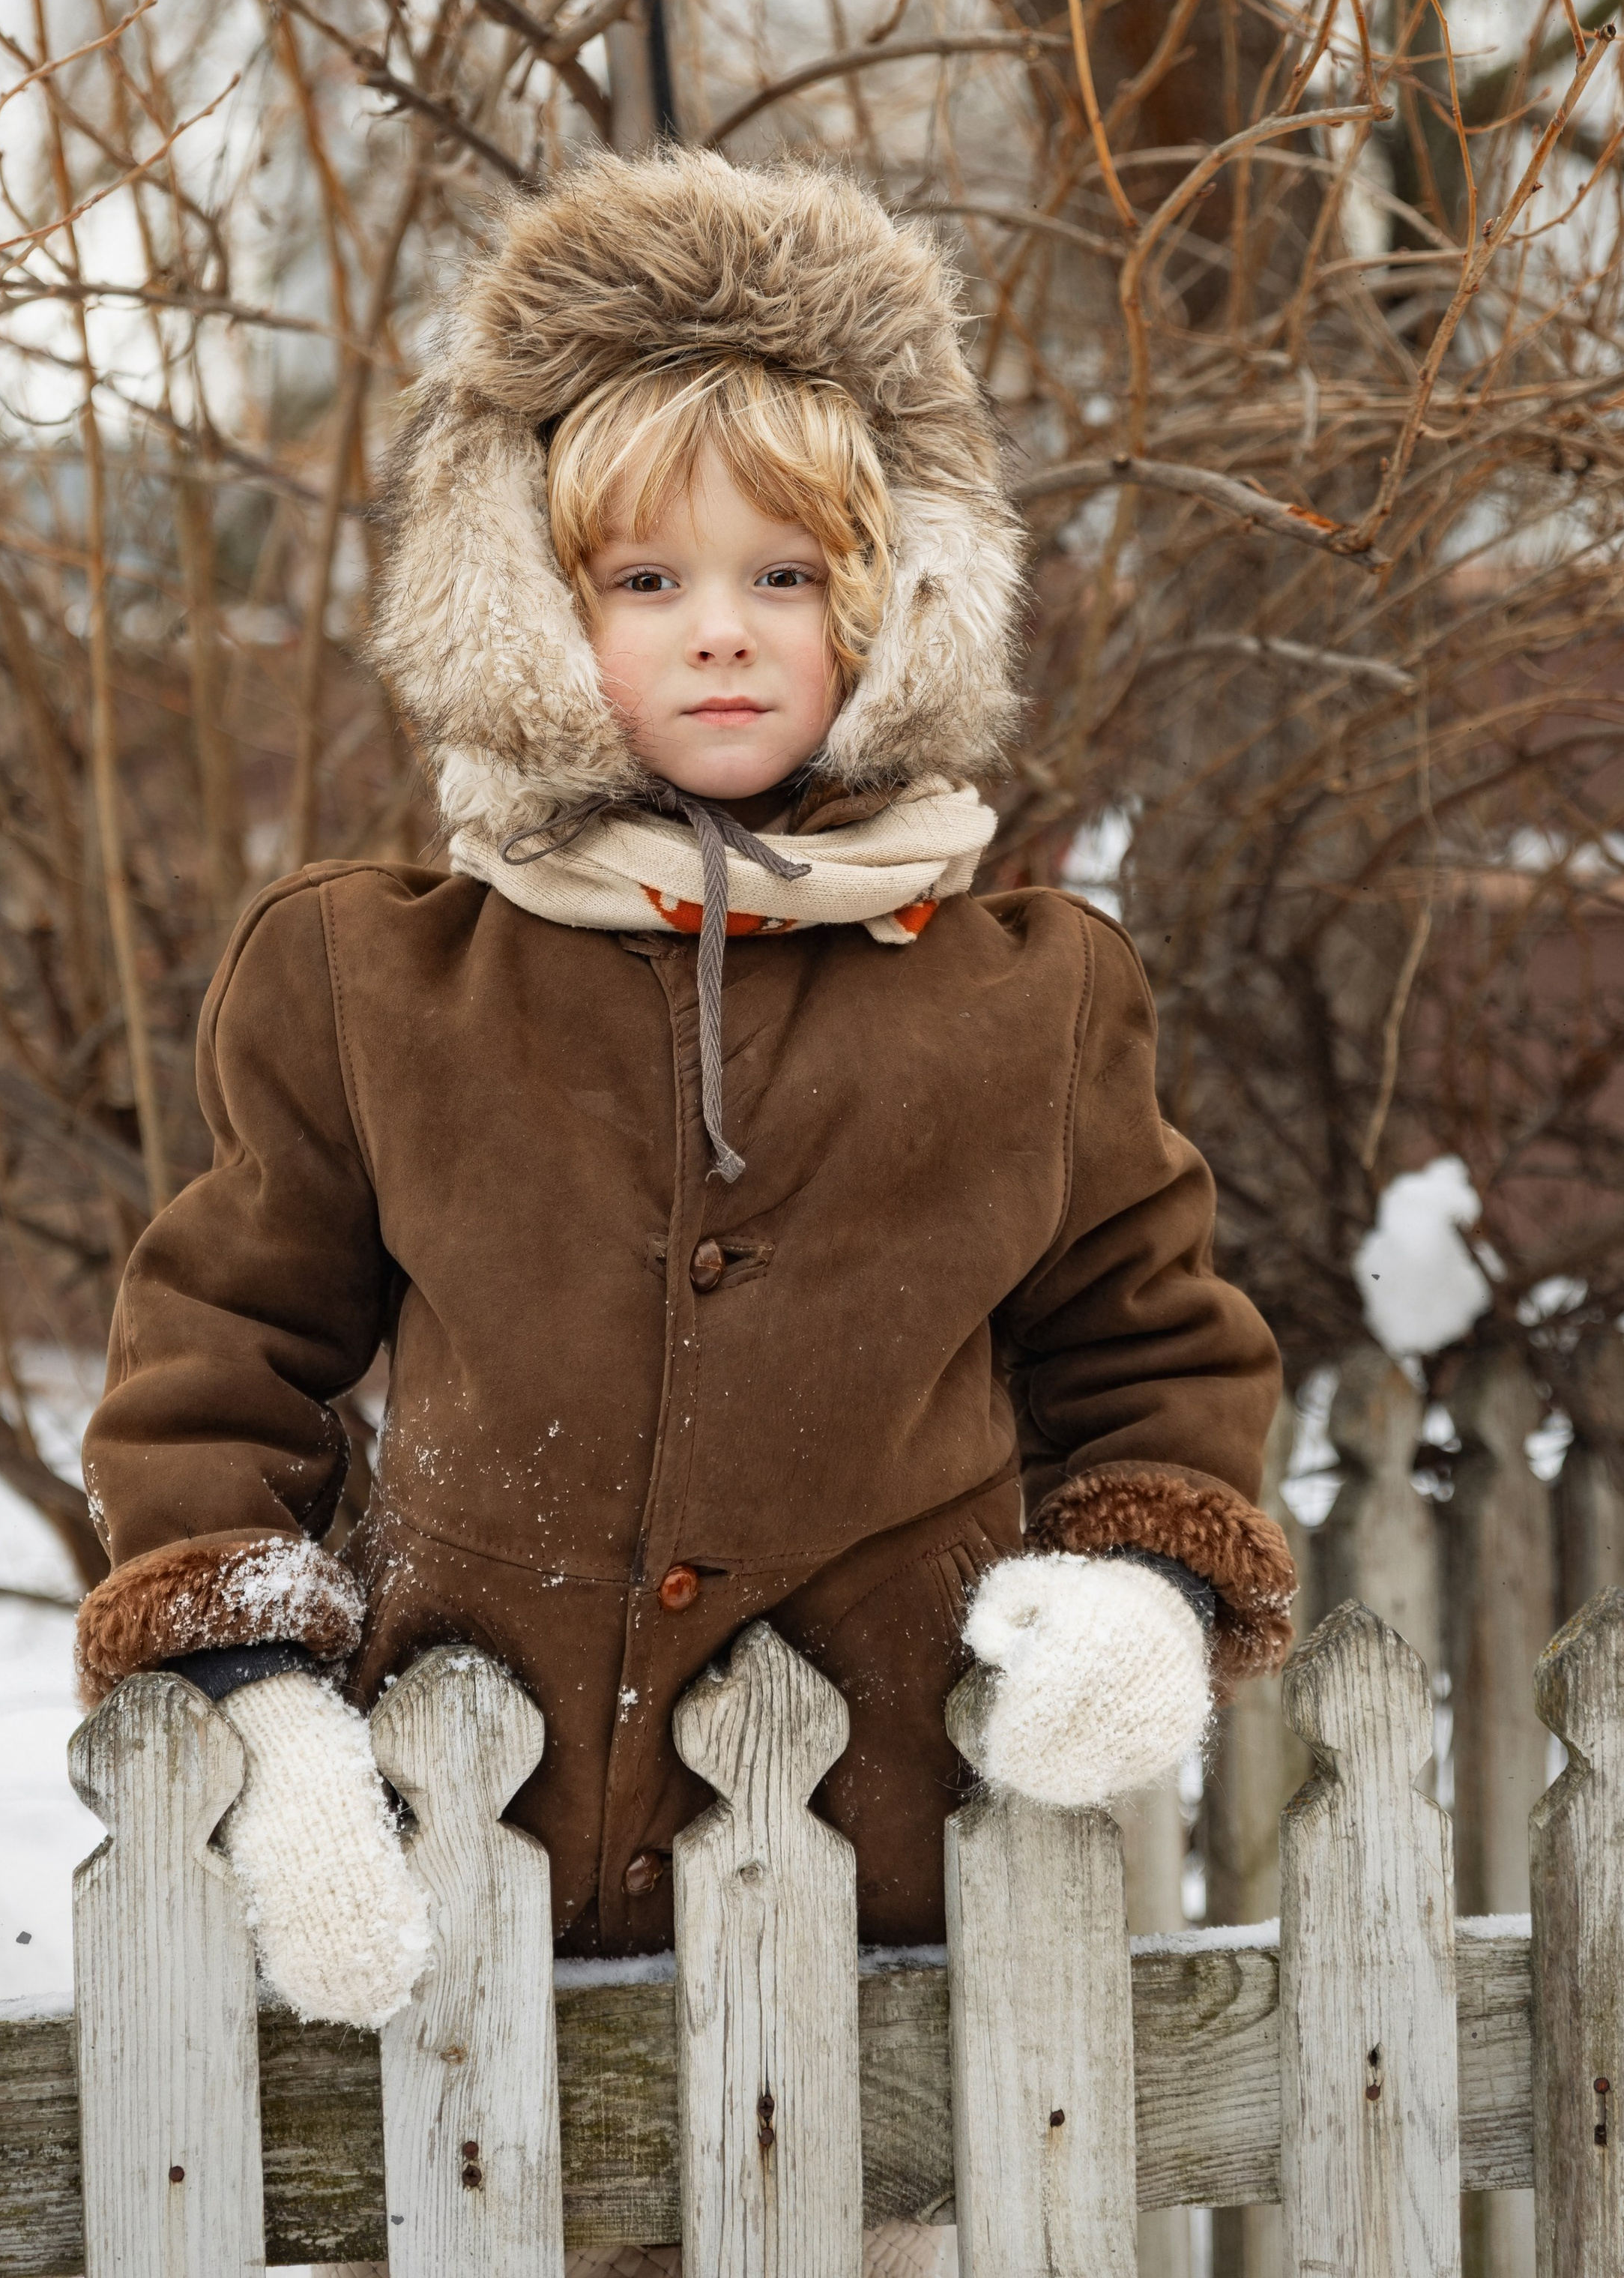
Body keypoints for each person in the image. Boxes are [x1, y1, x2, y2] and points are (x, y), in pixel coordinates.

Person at [74, 151, 1296, 2037]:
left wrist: (1141, 1588)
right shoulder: (374, 982)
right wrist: (268, 1726)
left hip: (885, 1924)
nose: (718, 627)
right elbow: (221, 1354)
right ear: (526, 612)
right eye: (644, 578)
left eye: (783, 575)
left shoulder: (1033, 1001)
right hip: (462, 1891)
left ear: (894, 604)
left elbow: (1147, 1352)